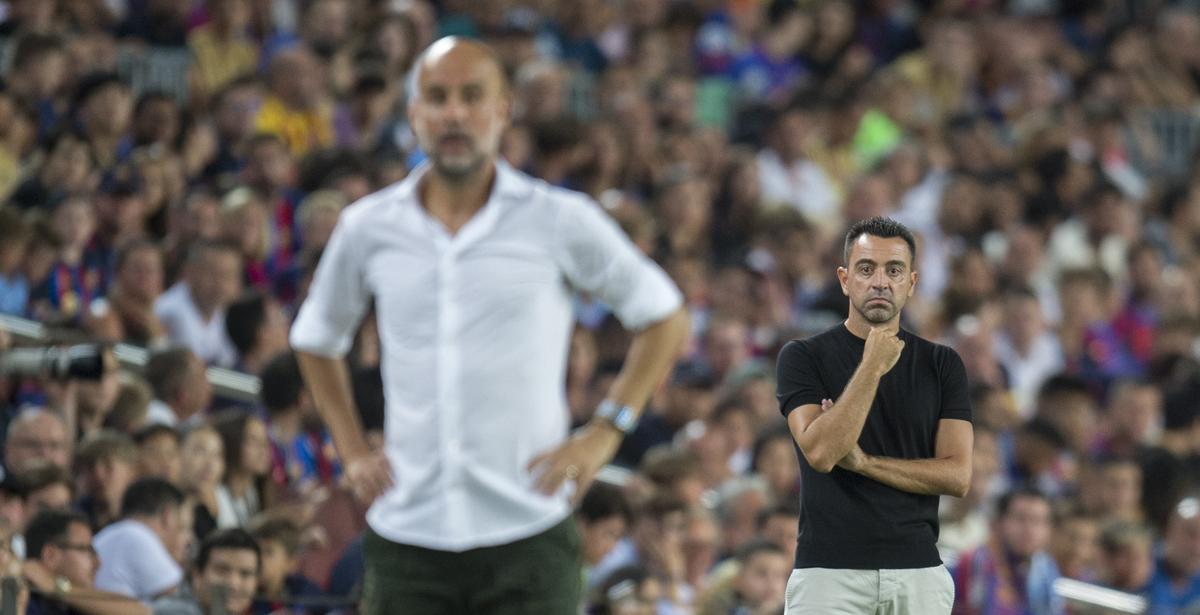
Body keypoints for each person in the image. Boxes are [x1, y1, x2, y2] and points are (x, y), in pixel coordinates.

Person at [289, 37, 689, 614]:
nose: (454, 113)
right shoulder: (366, 227)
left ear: (502, 111)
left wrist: (606, 430)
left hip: (528, 534)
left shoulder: (557, 218)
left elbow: (665, 316)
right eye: (438, 97)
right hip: (409, 537)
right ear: (413, 115)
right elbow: (315, 338)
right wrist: (350, 449)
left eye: (472, 96)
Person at [775, 216, 973, 613]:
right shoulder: (802, 356)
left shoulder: (942, 364)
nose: (880, 281)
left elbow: (957, 476)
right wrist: (871, 366)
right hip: (828, 576)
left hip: (919, 572)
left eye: (894, 270)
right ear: (845, 280)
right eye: (867, 269)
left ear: (911, 284)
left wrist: (864, 463)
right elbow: (822, 452)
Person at [951, 488, 1064, 615]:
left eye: (1037, 521)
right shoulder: (972, 564)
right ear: (1000, 522)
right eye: (1021, 518)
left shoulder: (1045, 569)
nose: (1029, 530)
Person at [22, 509, 150, 615]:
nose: (98, 563)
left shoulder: (75, 604)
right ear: (50, 555)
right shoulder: (24, 602)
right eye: (86, 550)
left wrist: (56, 587)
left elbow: (141, 612)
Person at [93, 478, 192, 601]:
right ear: (168, 517)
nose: (189, 540)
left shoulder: (114, 534)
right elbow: (181, 599)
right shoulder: (135, 534)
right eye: (183, 528)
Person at [152, 528, 261, 615]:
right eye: (222, 571)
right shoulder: (172, 611)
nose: (234, 584)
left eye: (245, 574)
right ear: (197, 575)